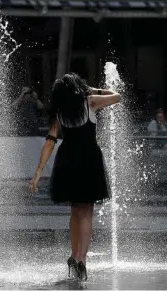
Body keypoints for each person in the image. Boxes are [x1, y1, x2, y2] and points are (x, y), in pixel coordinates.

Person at [28, 73, 120, 281]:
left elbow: (50, 142)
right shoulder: (91, 102)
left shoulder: (60, 112)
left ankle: (73, 256)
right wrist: (93, 90)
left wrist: (37, 174)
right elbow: (117, 96)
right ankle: (81, 260)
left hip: (68, 162)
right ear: (80, 88)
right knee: (86, 212)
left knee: (75, 212)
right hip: (89, 160)